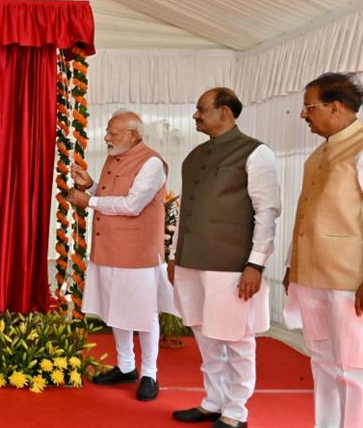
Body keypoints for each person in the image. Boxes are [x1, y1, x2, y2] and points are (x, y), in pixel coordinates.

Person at [168, 88, 281, 428]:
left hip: (231, 265)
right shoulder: (195, 155)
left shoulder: (256, 152)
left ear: (225, 112)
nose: (195, 116)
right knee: (205, 335)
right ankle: (213, 401)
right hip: (191, 261)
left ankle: (236, 410)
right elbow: (185, 209)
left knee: (236, 338)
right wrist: (174, 255)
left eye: (201, 109)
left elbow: (267, 211)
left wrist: (255, 263)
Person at [69, 110, 175, 402]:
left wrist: (89, 200)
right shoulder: (114, 156)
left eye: (113, 133)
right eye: (108, 132)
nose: (106, 137)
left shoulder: (152, 162)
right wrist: (90, 185)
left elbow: (132, 204)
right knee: (116, 309)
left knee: (144, 313)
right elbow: (111, 195)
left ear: (132, 135)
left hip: (137, 251)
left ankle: (150, 373)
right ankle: (126, 366)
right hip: (108, 248)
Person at [283, 73, 363, 428]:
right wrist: (291, 265)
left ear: (335, 107)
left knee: (353, 367)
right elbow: (307, 212)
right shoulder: (319, 153)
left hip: (348, 280)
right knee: (322, 362)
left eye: (309, 107)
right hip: (311, 276)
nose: (303, 115)